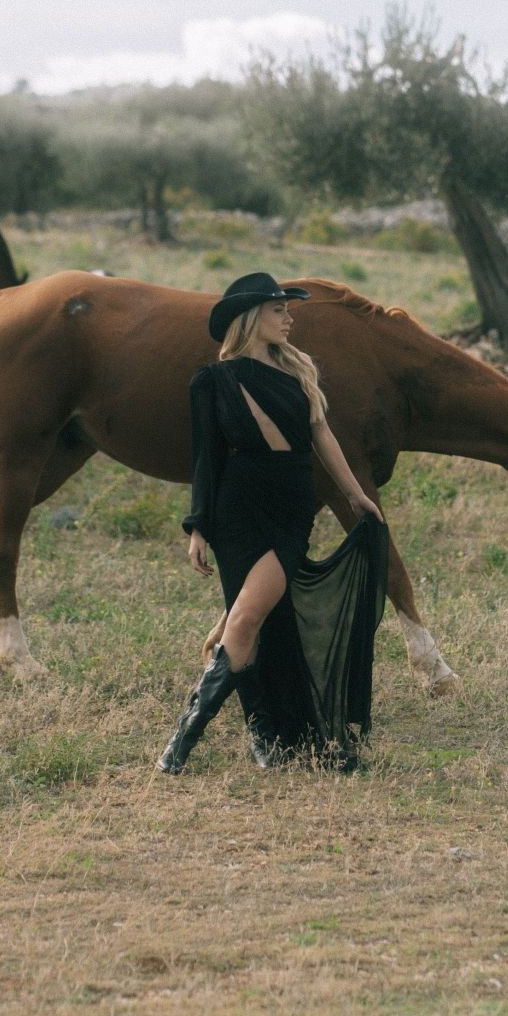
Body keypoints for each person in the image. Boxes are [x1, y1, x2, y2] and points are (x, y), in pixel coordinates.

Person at [157, 271, 389, 775]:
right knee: (253, 622)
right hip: (236, 509)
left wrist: (354, 496)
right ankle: (224, 741)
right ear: (251, 317)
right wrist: (197, 525)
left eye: (288, 311)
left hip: (290, 507)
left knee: (247, 620)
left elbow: (322, 435)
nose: (288, 319)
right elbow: (207, 459)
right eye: (279, 311)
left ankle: (224, 740)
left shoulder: (298, 371)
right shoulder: (211, 381)